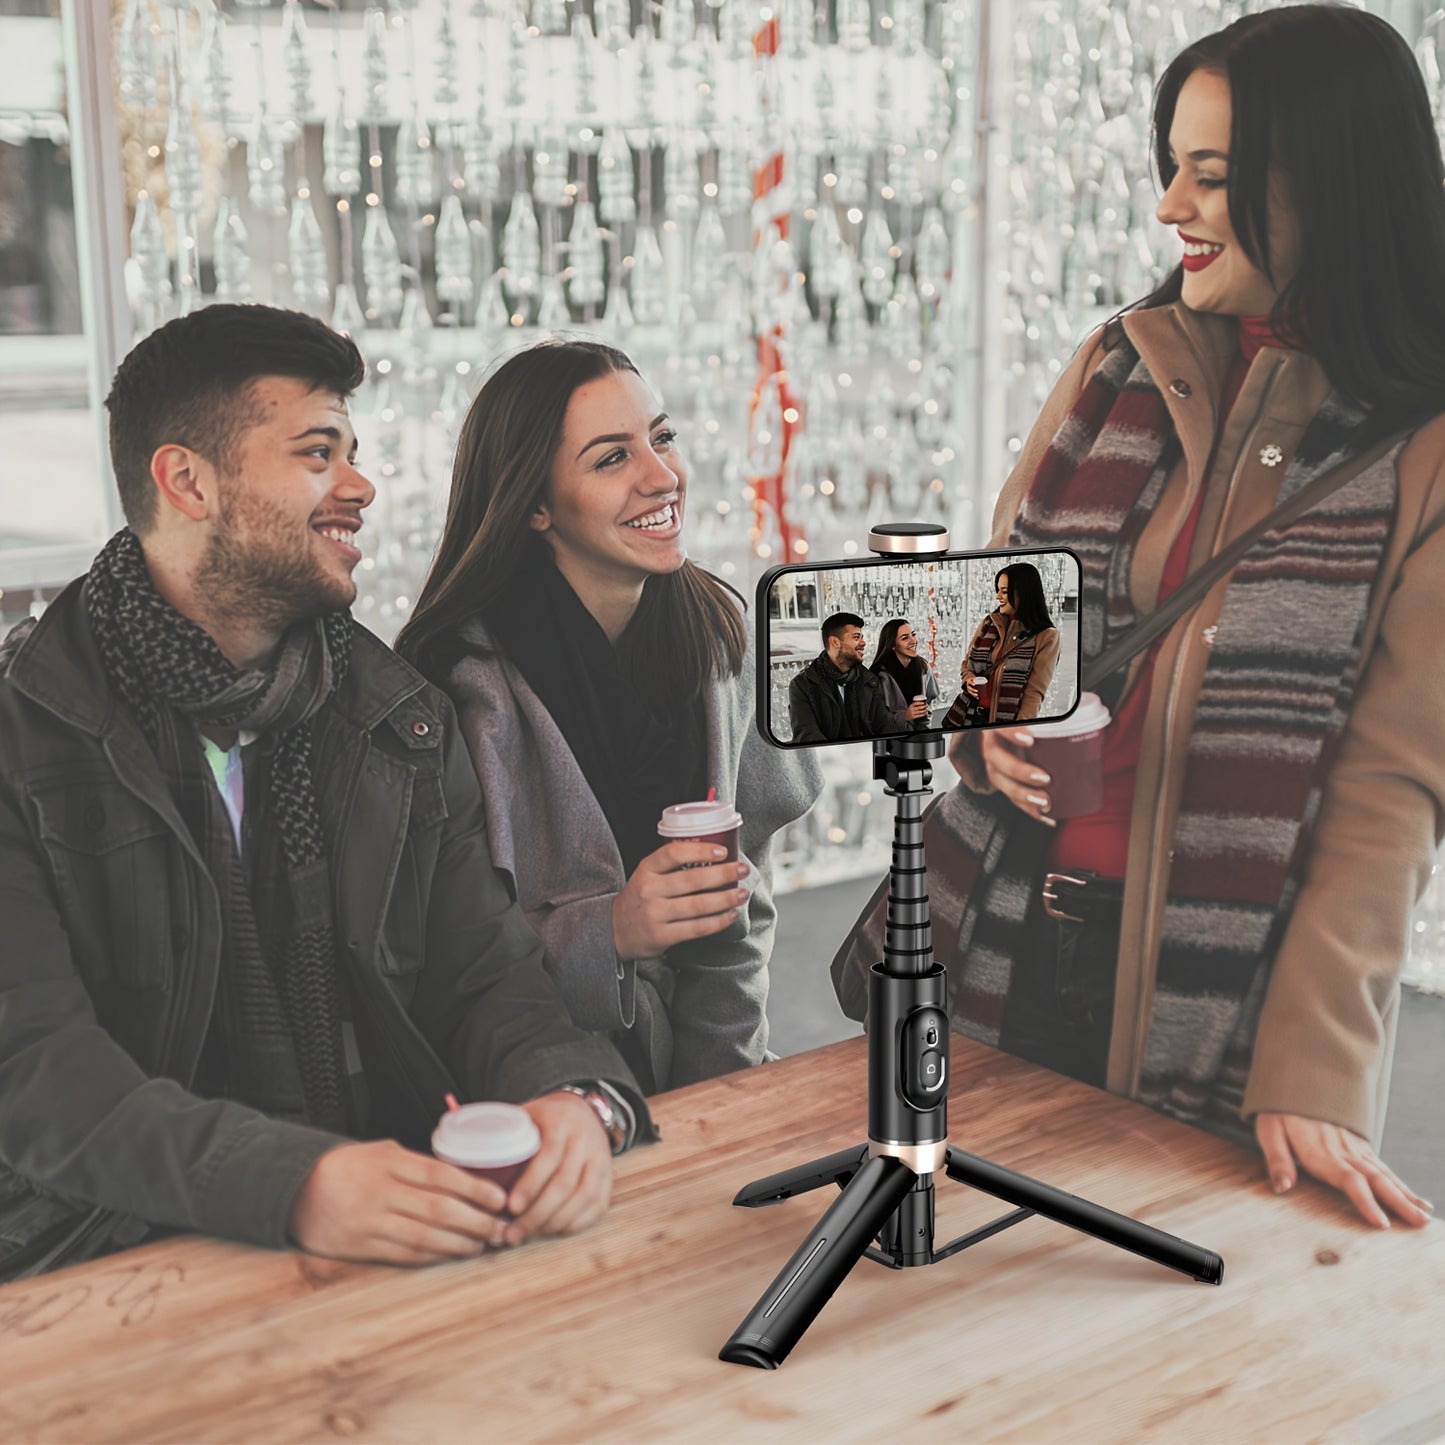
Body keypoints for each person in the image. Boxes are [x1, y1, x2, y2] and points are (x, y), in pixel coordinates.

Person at [836, 5, 1440, 1231]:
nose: (1170, 208)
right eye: (1168, 167)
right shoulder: (1117, 358)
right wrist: (981, 732)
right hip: (998, 934)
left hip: (1213, 993)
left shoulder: (1419, 447)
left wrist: (1313, 1074)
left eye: (1210, 176)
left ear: (1327, 180)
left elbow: (1388, 787)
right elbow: (994, 635)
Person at [0, 305, 651, 1283]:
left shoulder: (398, 718)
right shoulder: (23, 730)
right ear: (187, 480)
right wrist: (294, 1181)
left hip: (381, 1227)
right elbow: (36, 1071)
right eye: (317, 453)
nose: (360, 486)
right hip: (95, 1261)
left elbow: (481, 974)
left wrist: (573, 1096)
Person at [394, 340, 820, 1096]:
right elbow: (439, 966)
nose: (662, 477)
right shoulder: (457, 692)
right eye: (610, 459)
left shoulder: (718, 640)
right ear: (532, 502)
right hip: (539, 1106)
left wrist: (724, 1098)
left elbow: (738, 916)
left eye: (660, 437)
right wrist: (611, 932)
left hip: (710, 1082)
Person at [948, 565, 1061, 726]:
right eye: (997, 590)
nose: (998, 596)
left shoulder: (1047, 636)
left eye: (1005, 591)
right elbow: (967, 664)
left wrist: (1018, 730)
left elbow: (1034, 693)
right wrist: (969, 679)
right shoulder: (989, 622)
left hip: (1002, 725)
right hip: (966, 717)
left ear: (1024, 593)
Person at [788, 611, 894, 743]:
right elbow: (807, 736)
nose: (863, 643)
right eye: (856, 637)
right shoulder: (802, 685)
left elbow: (885, 728)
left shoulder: (870, 681)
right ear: (835, 642)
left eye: (862, 637)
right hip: (829, 759)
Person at [869, 618, 940, 732]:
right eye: (905, 638)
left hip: (921, 737)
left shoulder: (923, 667)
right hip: (890, 742)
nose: (913, 641)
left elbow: (931, 700)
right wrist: (905, 716)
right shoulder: (879, 676)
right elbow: (875, 719)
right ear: (892, 645)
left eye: (913, 634)